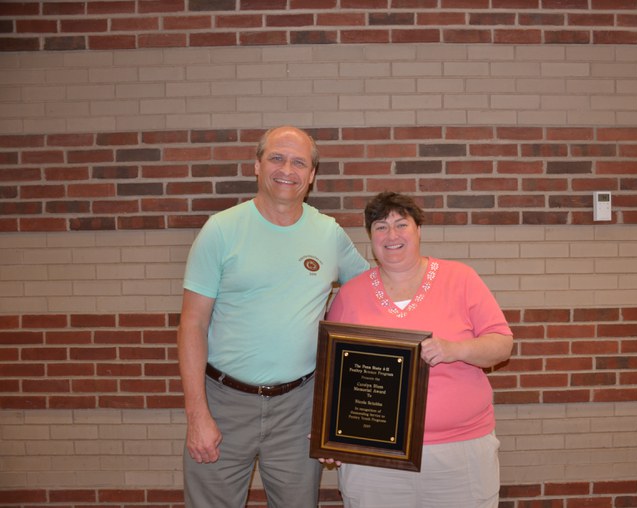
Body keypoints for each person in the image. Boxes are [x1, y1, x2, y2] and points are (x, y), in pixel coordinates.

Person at [177, 125, 369, 508]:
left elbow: (372, 295)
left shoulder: (328, 233)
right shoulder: (221, 230)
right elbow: (191, 324)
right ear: (257, 165)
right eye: (277, 158)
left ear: (312, 175)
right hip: (223, 402)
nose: (287, 169)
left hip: (299, 408)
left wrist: (338, 417)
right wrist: (197, 413)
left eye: (299, 162)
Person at [323, 191, 514, 508]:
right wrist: (330, 433)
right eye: (381, 227)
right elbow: (335, 374)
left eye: (401, 224)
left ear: (418, 230)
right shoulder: (350, 294)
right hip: (375, 457)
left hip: (459, 451)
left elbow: (502, 344)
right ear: (371, 237)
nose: (392, 235)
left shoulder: (460, 279)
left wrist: (455, 349)